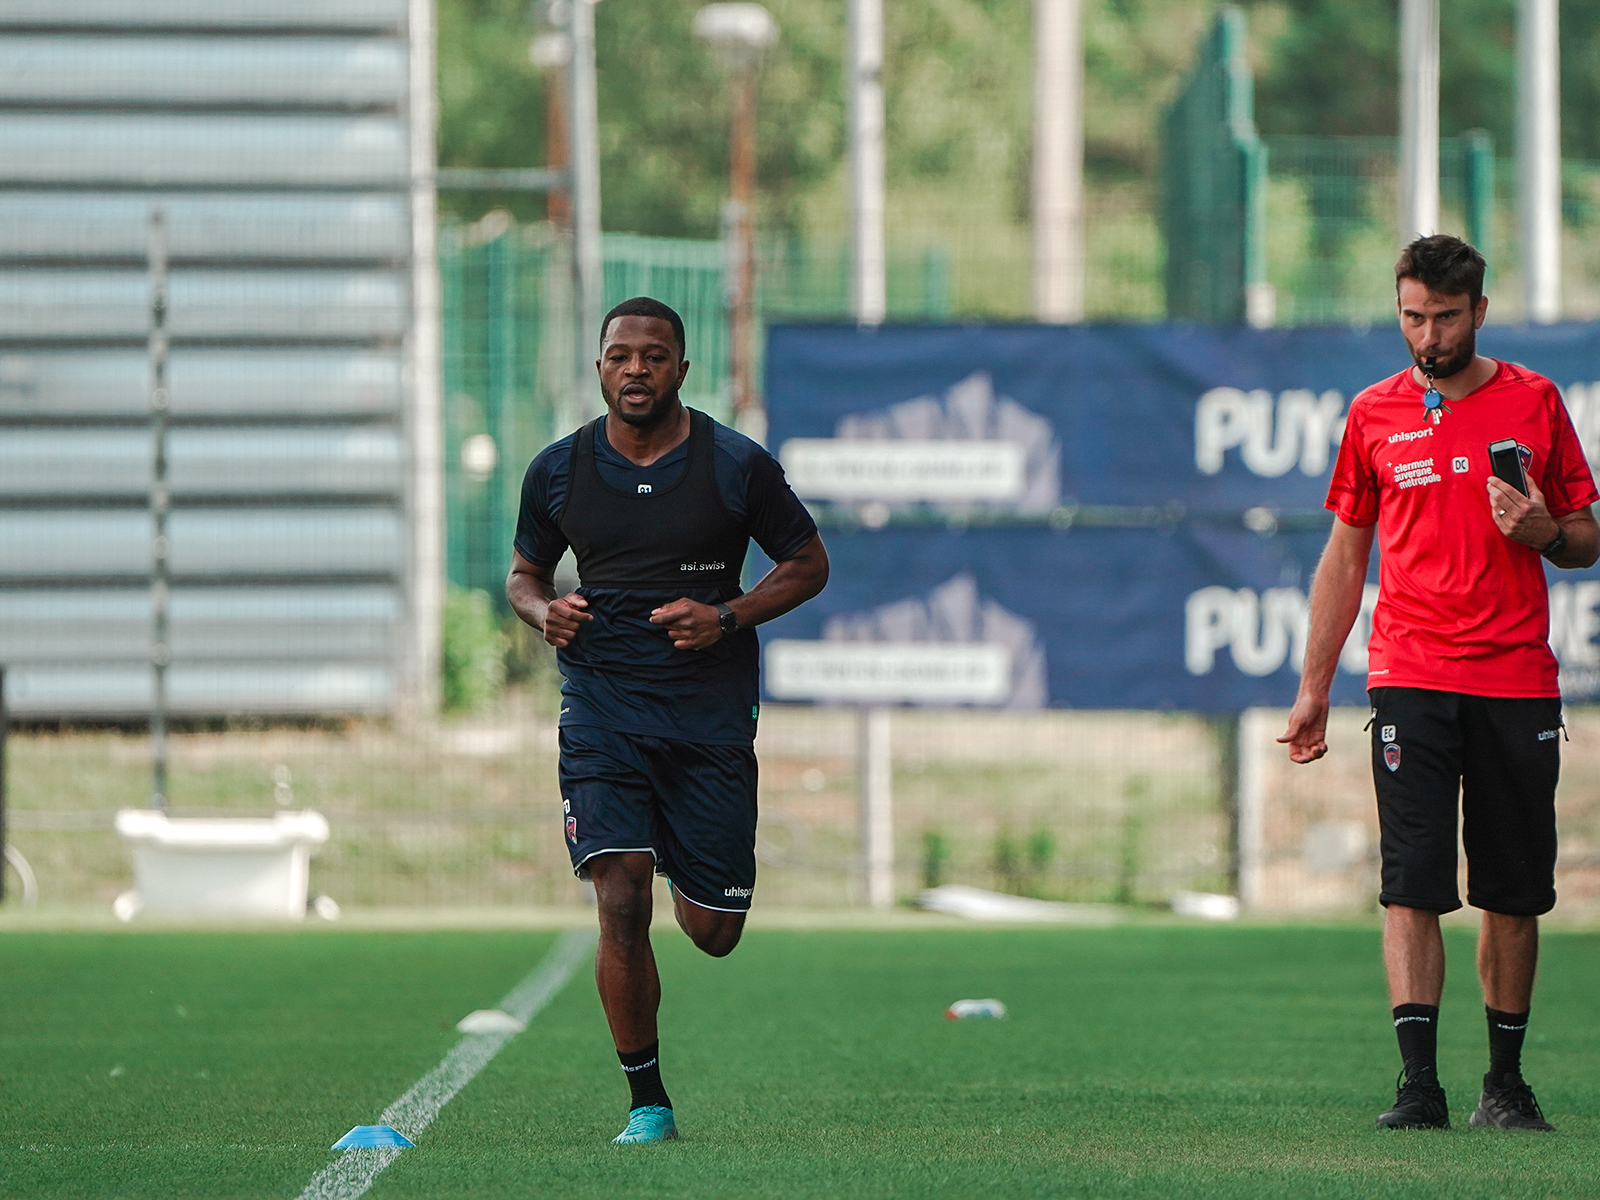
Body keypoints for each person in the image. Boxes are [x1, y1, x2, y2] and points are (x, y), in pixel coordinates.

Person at [1280, 235, 1599, 1131]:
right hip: (1409, 676)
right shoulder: (1374, 414)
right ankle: (1418, 1087)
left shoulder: (1535, 401)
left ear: (1480, 312)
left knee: (1512, 887)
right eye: (1413, 317)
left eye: (1445, 317)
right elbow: (1345, 556)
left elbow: (1585, 538)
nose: (1428, 335)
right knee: (1412, 881)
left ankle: (1506, 1082)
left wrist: (1542, 531)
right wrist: (1314, 687)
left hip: (1515, 680)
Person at [507, 296, 828, 1144]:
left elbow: (808, 562)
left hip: (708, 716)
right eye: (620, 355)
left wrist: (727, 617)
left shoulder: (734, 466)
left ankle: (704, 886)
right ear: (600, 367)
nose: (636, 369)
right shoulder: (558, 471)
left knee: (712, 932)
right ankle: (647, 1102)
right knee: (620, 896)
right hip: (602, 708)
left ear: (682, 369)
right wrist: (545, 613)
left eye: (654, 356)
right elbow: (523, 574)